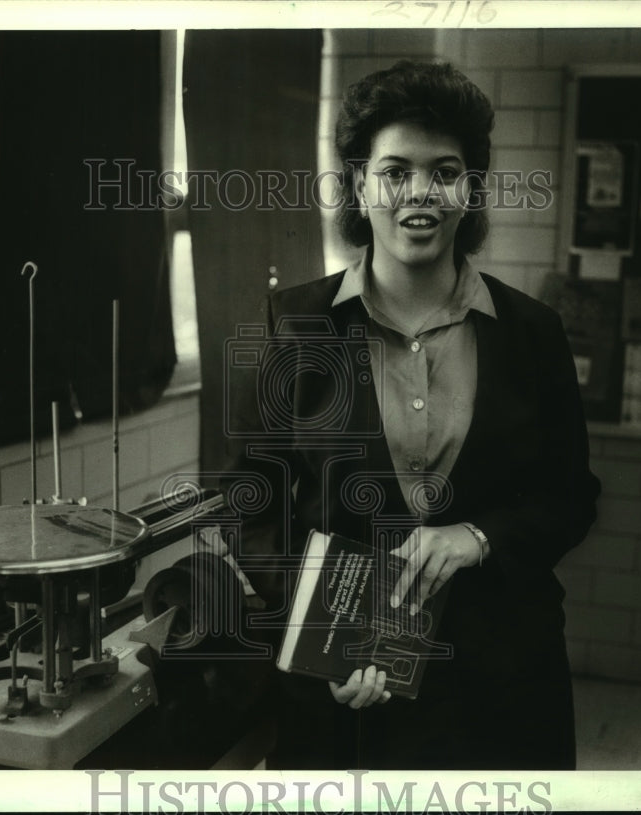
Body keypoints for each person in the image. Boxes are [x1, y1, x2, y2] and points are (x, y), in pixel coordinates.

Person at [224, 60, 600, 770]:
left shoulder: (532, 333)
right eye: (396, 170)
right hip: (345, 692)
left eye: (446, 170)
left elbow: (572, 496)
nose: (420, 193)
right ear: (359, 185)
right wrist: (326, 641)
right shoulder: (295, 323)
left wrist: (479, 535)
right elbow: (253, 501)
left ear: (472, 189)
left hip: (502, 685)